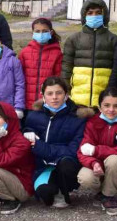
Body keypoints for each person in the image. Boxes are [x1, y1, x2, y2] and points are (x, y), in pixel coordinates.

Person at [22, 77, 88, 209]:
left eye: (59, 93)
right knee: (45, 194)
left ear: (66, 95)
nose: (54, 97)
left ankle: (65, 190)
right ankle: (53, 189)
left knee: (66, 164)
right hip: (43, 166)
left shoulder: (78, 118)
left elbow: (72, 150)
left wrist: (40, 146)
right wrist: (26, 131)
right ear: (43, 95)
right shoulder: (33, 116)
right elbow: (23, 132)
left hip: (66, 164)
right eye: (50, 93)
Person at [76, 87, 117, 216]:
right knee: (85, 177)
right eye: (106, 105)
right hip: (97, 165)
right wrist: (93, 163)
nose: (111, 110)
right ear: (100, 107)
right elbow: (83, 150)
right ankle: (100, 192)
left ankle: (108, 196)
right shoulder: (92, 123)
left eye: (116, 106)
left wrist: (96, 150)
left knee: (114, 159)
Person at [62, 0, 117, 107]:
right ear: (84, 15)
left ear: (105, 15)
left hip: (105, 100)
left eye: (98, 13)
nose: (94, 16)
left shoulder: (114, 39)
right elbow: (66, 66)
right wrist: (66, 90)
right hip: (77, 100)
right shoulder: (73, 39)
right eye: (90, 13)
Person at [18, 18, 62, 109]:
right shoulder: (24, 53)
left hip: (48, 103)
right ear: (33, 33)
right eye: (37, 31)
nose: (41, 34)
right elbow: (19, 78)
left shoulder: (57, 53)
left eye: (44, 31)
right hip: (27, 104)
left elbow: (59, 79)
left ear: (51, 32)